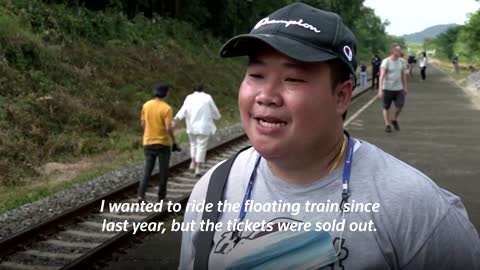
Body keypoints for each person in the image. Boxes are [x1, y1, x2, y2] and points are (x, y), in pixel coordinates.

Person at [179, 3, 480, 270]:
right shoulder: (213, 189)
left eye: (293, 79)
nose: (266, 96)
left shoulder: (416, 209)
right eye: (256, 75)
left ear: (341, 96)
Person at [138, 82, 179, 202]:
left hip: (148, 142)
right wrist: (174, 140)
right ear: (166, 93)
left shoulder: (146, 105)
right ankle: (161, 196)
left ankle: (141, 195)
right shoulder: (167, 108)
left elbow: (143, 124)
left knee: (147, 170)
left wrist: (149, 133)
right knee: (163, 171)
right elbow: (168, 128)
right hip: (162, 144)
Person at [174, 84, 221, 176]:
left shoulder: (189, 98)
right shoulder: (207, 98)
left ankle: (192, 162)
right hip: (203, 127)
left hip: (191, 126)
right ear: (203, 89)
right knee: (201, 146)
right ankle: (198, 168)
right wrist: (217, 116)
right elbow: (214, 111)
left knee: (193, 144)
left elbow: (183, 110)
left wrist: (176, 119)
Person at [378, 43, 407, 133]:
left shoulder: (401, 61)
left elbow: (403, 75)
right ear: (392, 51)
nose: (399, 52)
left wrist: (405, 87)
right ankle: (387, 125)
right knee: (386, 107)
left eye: (399, 50)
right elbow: (381, 76)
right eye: (397, 50)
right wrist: (380, 90)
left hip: (398, 88)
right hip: (387, 88)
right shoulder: (386, 61)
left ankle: (394, 119)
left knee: (400, 105)